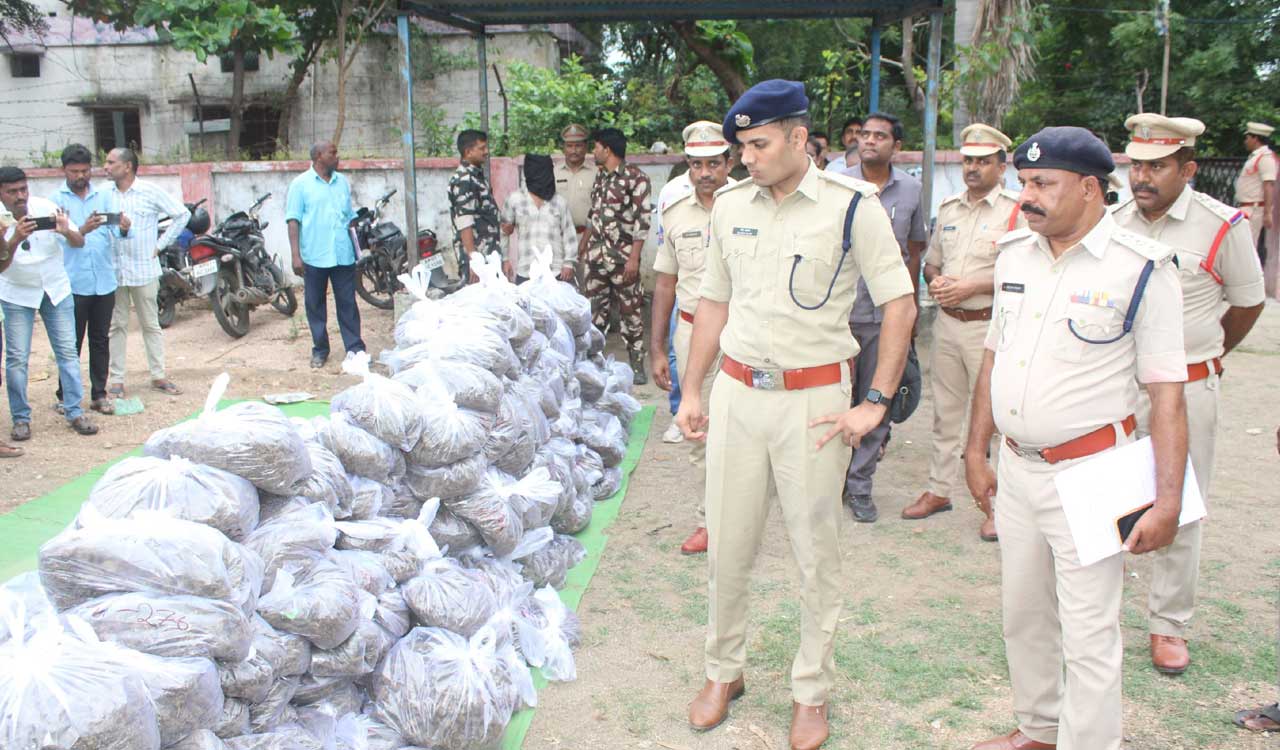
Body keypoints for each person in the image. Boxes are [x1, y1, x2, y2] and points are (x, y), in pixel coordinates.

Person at [677, 80, 916, 750]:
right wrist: (694, 391)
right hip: (737, 394)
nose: (744, 157)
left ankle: (811, 690)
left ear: (797, 139)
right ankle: (723, 672)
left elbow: (899, 302)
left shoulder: (851, 207)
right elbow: (712, 304)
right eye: (739, 146)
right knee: (727, 545)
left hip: (815, 401)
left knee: (817, 552)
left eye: (756, 144)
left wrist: (876, 401)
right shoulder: (728, 206)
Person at [964, 127, 1188, 750]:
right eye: (1025, 182)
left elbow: (1168, 394)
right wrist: (974, 448)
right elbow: (994, 357)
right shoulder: (1015, 253)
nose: (1026, 196)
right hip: (1016, 468)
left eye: (1043, 184)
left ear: (1090, 189)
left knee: (1090, 631)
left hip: (1094, 472)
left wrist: (1165, 502)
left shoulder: (1142, 269)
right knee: (1023, 614)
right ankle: (1038, 729)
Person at [1113, 113, 1265, 675]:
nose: (1143, 178)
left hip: (1189, 383)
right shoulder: (1110, 220)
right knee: (1109, 494)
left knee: (1181, 500)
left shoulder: (1221, 225)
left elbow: (1248, 303)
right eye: (1137, 166)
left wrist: (1205, 352)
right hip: (1122, 384)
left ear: (1188, 168)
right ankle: (1098, 611)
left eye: (1158, 167)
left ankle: (1167, 624)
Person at [909, 124, 1023, 541]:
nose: (973, 168)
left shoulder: (1016, 210)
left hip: (990, 328)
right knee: (946, 413)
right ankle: (939, 490)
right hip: (949, 325)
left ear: (1001, 165)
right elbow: (933, 261)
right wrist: (936, 279)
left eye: (983, 161)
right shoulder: (951, 208)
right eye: (969, 160)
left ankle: (997, 505)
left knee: (993, 419)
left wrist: (973, 286)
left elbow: (1025, 272)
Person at [650, 120, 733, 556]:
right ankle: (708, 523)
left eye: (714, 163)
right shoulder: (674, 212)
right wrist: (658, 348)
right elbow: (665, 281)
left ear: (728, 162)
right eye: (697, 164)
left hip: (742, 335)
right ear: (688, 165)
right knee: (697, 427)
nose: (705, 172)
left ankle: (738, 521)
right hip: (688, 329)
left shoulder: (749, 206)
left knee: (741, 431)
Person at [842, 111, 928, 523]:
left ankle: (859, 486)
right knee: (832, 401)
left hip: (882, 319)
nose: (870, 141)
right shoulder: (835, 184)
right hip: (836, 316)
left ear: (896, 146)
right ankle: (828, 482)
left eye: (880, 136)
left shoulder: (910, 191)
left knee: (875, 401)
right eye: (864, 134)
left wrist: (906, 318)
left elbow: (914, 253)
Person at [0, 166, 98, 439]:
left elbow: (78, 242)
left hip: (55, 289)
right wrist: (17, 237)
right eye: (12, 192)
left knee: (68, 353)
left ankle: (75, 411)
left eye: (23, 189)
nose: (20, 196)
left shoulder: (44, 206)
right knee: (17, 360)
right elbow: (1, 266)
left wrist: (67, 231)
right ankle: (21, 418)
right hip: (16, 293)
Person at [103, 147, 187, 397]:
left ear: (127, 166)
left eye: (111, 162)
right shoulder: (103, 194)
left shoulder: (149, 191)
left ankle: (158, 375)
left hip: (143, 269)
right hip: (115, 271)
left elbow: (182, 215)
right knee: (116, 325)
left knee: (151, 324)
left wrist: (159, 247)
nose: (106, 167)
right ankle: (116, 380)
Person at [51, 144, 119, 415]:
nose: (80, 176)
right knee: (71, 342)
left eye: (84, 170)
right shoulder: (56, 200)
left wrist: (124, 227)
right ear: (64, 170)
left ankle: (99, 394)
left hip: (104, 279)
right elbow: (61, 241)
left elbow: (117, 231)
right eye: (74, 171)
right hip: (73, 282)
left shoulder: (103, 196)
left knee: (100, 339)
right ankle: (65, 395)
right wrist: (83, 229)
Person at [286, 141, 366, 370]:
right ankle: (320, 350)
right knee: (315, 305)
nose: (337, 156)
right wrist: (296, 256)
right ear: (319, 156)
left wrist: (357, 247)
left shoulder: (341, 182)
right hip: (314, 255)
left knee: (348, 303)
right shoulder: (300, 185)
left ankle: (355, 348)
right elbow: (293, 220)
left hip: (342, 254)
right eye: (333, 153)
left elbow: (348, 217)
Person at [581, 127, 652, 384]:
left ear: (607, 149)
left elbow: (642, 223)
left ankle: (636, 364)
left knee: (630, 311)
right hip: (596, 258)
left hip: (623, 259)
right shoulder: (600, 177)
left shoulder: (636, 179)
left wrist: (634, 258)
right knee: (594, 311)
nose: (593, 153)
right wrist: (584, 246)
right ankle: (593, 362)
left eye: (596, 147)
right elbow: (594, 214)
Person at [500, 154, 576, 284]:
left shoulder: (559, 202)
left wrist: (569, 263)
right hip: (526, 271)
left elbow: (569, 234)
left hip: (556, 272)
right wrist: (505, 259)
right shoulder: (515, 200)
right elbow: (503, 232)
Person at [448, 129, 502, 282]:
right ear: (468, 151)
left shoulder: (476, 176)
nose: (486, 152)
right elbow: (465, 222)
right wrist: (473, 259)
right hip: (477, 258)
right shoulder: (464, 179)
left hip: (488, 253)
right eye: (482, 148)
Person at [1235, 122, 1275, 253]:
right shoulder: (1255, 157)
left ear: (1255, 138)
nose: (1246, 141)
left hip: (1254, 207)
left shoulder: (1265, 157)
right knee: (1242, 244)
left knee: (1248, 246)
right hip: (1247, 206)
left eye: (1247, 138)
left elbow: (1268, 185)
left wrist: (1268, 212)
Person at [554, 123, 598, 233]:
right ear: (563, 148)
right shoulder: (553, 173)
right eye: (569, 146)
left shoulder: (597, 173)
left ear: (586, 147)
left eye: (578, 146)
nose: (574, 150)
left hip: (588, 237)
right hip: (560, 237)